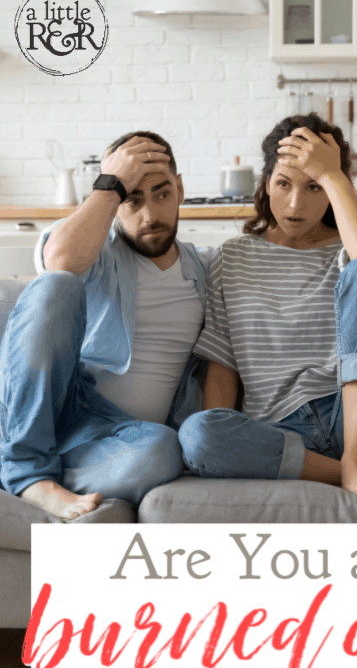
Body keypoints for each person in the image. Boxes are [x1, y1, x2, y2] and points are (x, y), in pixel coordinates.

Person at [178, 112, 357, 506]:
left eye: (314, 187)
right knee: (196, 434)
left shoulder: (352, 247)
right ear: (265, 181)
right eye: (283, 183)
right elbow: (223, 362)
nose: (294, 204)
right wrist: (222, 429)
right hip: (284, 431)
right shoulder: (233, 257)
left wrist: (333, 172)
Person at [0, 132, 211, 521]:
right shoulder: (95, 250)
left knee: (164, 451)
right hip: (59, 404)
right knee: (56, 283)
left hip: (114, 439)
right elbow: (59, 259)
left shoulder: (205, 268)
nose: (150, 215)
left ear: (180, 188)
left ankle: (20, 462)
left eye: (162, 194)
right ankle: (28, 470)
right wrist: (111, 184)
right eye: (132, 199)